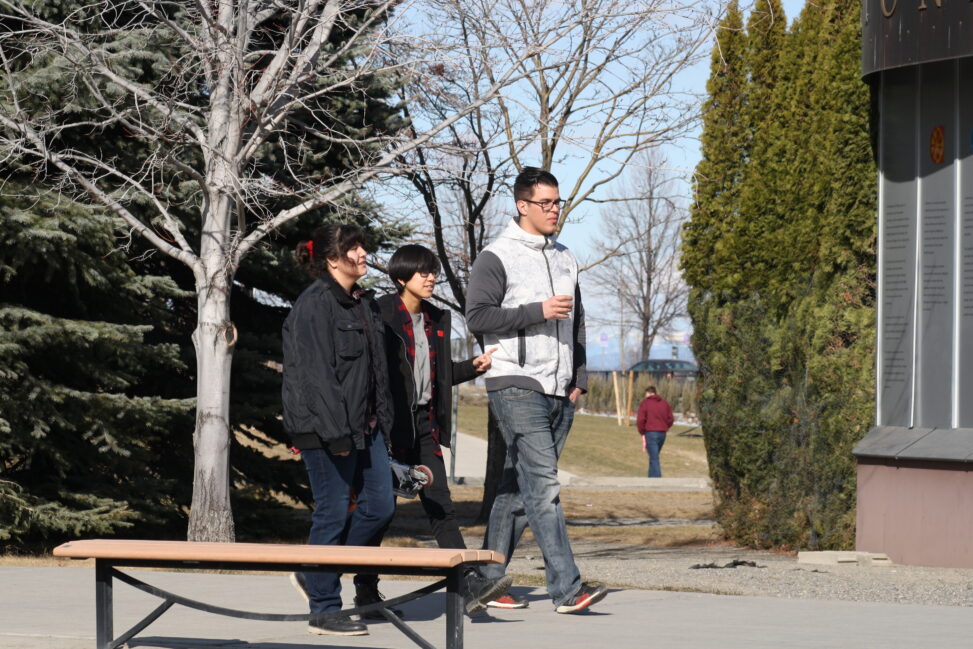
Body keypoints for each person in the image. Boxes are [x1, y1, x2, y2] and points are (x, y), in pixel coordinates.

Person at [465, 166, 608, 614]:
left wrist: (579, 378)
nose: (554, 210)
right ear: (522, 206)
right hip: (515, 381)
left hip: (560, 387)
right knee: (544, 486)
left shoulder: (567, 256)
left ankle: (485, 581)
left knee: (518, 487)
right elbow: (478, 317)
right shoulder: (497, 256)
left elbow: (578, 321)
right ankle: (567, 589)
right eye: (545, 203)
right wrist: (536, 310)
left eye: (558, 202)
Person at [355, 244, 512, 615]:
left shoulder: (438, 319)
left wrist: (472, 367)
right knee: (381, 511)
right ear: (400, 278)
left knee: (441, 504)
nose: (431, 278)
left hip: (425, 427)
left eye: (433, 272)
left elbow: (438, 378)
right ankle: (366, 594)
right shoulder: (379, 315)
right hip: (389, 430)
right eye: (422, 272)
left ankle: (469, 585)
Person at [281, 224, 396, 637]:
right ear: (332, 259)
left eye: (363, 246)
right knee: (331, 513)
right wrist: (336, 436)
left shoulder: (363, 303)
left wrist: (382, 424)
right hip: (327, 431)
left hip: (365, 430)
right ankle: (325, 609)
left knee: (380, 507)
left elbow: (375, 374)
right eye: (353, 249)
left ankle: (313, 571)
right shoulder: (314, 306)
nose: (363, 253)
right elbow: (316, 378)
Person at [636, 385, 674, 478]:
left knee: (654, 457)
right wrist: (665, 427)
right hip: (662, 433)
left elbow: (640, 420)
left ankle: (657, 479)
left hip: (651, 433)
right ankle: (650, 478)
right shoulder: (664, 403)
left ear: (648, 393)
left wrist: (642, 431)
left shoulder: (645, 403)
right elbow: (671, 419)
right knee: (654, 456)